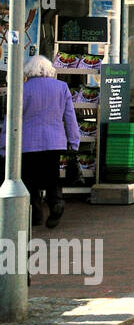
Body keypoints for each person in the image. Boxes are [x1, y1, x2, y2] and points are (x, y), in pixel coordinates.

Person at [20, 56, 81, 230]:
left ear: (28, 71)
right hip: (54, 141)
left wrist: (3, 144)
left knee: (28, 178)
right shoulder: (61, 87)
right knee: (51, 175)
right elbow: (70, 118)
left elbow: (13, 118)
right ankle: (56, 203)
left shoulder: (23, 89)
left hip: (27, 142)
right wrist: (74, 142)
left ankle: (35, 213)